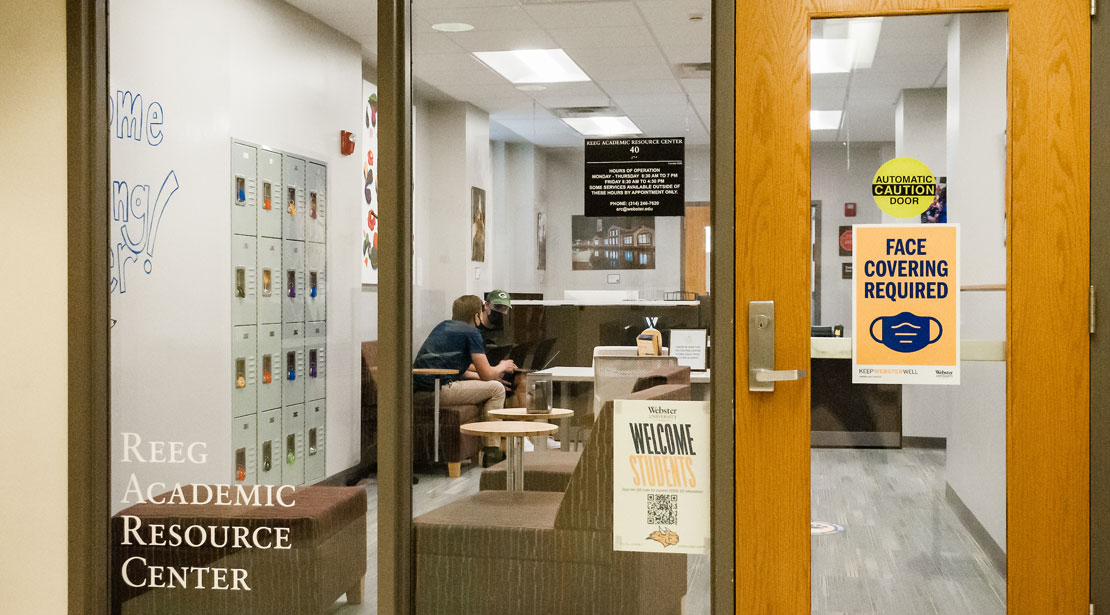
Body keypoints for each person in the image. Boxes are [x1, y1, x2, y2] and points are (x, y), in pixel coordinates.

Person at [413, 294, 516, 466]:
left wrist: (487, 378)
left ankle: (489, 448)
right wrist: (502, 366)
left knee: (492, 386)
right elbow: (487, 374)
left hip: (418, 390)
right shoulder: (471, 332)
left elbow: (458, 369)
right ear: (476, 315)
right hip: (437, 391)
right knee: (497, 389)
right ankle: (492, 451)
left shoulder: (444, 326)